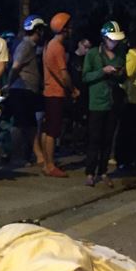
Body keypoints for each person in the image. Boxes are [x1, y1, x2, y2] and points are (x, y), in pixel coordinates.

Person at [83, 21, 127, 187]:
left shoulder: (120, 54)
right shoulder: (93, 54)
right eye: (111, 39)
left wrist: (119, 73)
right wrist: (103, 71)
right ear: (104, 38)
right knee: (94, 138)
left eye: (116, 40)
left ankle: (103, 171)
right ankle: (90, 172)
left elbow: (123, 77)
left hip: (113, 101)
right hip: (97, 102)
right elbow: (85, 76)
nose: (114, 42)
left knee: (108, 139)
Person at [40, 13, 77, 178]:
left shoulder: (49, 44)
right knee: (53, 131)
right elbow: (63, 74)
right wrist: (73, 89)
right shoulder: (58, 47)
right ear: (64, 29)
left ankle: (46, 163)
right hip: (56, 93)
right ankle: (50, 165)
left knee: (47, 129)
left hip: (48, 91)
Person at [7, 14, 47, 166]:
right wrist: (9, 84)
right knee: (22, 125)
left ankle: (37, 156)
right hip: (21, 90)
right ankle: (18, 157)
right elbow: (16, 67)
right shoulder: (25, 46)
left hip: (26, 90)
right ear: (37, 30)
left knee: (29, 124)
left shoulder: (31, 46)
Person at [115, 33, 136, 171]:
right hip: (131, 99)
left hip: (133, 99)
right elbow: (125, 76)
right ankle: (124, 159)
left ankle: (125, 158)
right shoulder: (133, 59)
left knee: (128, 131)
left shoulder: (131, 57)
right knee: (128, 131)